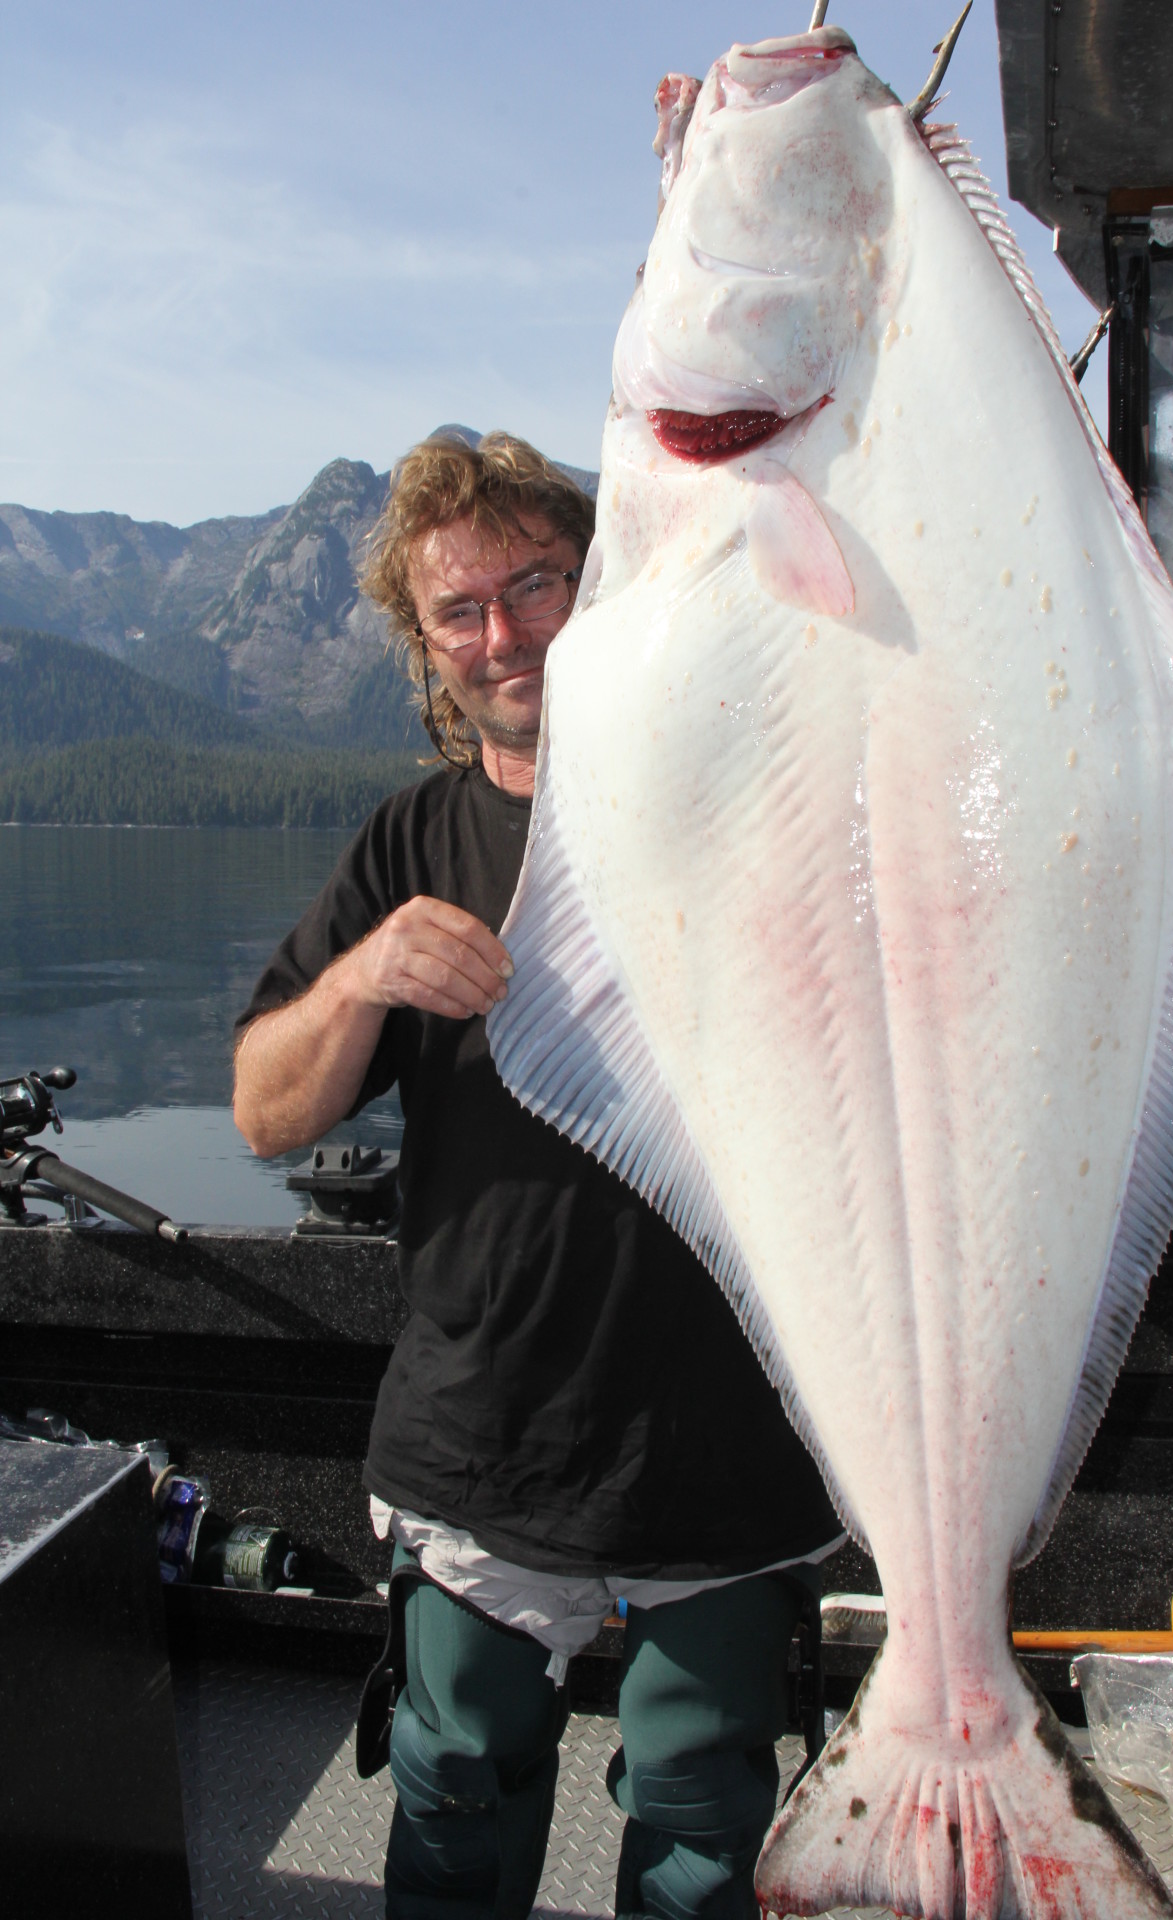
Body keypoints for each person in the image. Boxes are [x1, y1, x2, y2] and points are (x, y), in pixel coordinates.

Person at [232, 430, 842, 1920]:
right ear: (425, 647)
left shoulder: (756, 814)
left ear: (604, 581)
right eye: (460, 611)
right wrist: (365, 973)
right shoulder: (413, 839)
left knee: (704, 1834)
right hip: (480, 1447)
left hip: (730, 1451)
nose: (503, 633)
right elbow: (263, 1111)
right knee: (453, 1798)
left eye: (538, 583)